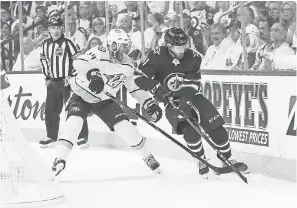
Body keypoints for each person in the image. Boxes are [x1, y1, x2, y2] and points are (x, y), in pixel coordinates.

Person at [135, 27, 248, 177]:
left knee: (217, 129)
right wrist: (154, 86)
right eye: (178, 46)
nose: (183, 49)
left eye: (184, 44)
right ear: (168, 45)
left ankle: (227, 158)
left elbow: (193, 83)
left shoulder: (194, 57)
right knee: (189, 131)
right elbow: (137, 77)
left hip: (193, 96)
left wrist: (185, 102)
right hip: (171, 102)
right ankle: (201, 159)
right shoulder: (157, 56)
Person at [52, 28, 162, 176]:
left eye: (126, 45)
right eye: (123, 45)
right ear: (113, 45)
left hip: (105, 100)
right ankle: (60, 158)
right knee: (74, 122)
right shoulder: (100, 51)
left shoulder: (127, 64)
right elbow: (78, 62)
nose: (126, 48)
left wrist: (149, 102)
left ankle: (147, 156)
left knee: (126, 128)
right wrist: (93, 74)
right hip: (82, 95)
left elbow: (134, 88)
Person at [39, 16, 89, 148]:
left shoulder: (68, 43)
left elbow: (79, 60)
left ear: (62, 29)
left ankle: (82, 137)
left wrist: (71, 75)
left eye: (58, 28)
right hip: (53, 83)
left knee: (76, 108)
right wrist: (47, 78)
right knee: (50, 110)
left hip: (68, 82)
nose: (56, 31)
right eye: (53, 28)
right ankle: (51, 136)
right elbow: (43, 60)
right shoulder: (45, 43)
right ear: (49, 29)